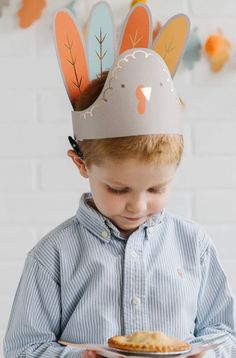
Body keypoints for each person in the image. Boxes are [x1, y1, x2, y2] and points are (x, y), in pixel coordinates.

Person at [3, 3, 236, 358]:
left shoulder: (195, 248)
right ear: (81, 164)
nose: (138, 205)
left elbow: (225, 333)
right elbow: (23, 349)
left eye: (157, 189)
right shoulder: (53, 258)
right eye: (118, 188)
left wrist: (203, 354)